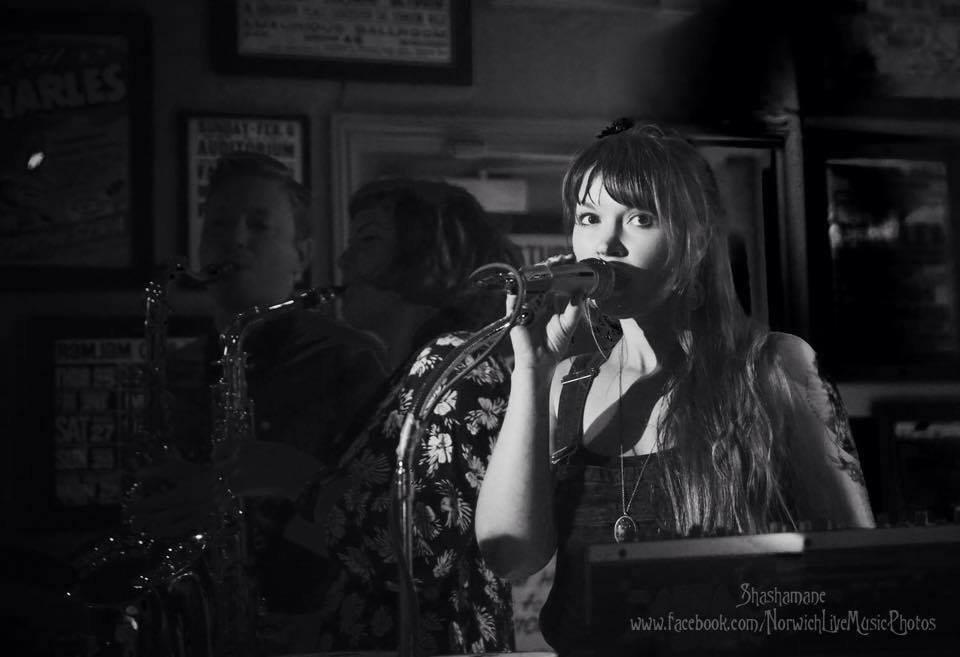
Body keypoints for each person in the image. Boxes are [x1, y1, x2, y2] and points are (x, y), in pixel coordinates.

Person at [475, 122, 875, 655]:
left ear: (697, 238)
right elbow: (510, 557)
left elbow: (856, 558)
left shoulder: (774, 365)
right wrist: (531, 371)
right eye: (589, 218)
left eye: (640, 218)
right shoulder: (568, 383)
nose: (606, 244)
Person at [109, 152, 387, 651]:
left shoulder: (348, 359)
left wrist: (235, 504)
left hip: (311, 630)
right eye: (218, 225)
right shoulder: (177, 370)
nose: (233, 239)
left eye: (258, 225)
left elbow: (375, 511)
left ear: (301, 255)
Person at [257, 179, 520, 654]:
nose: (344, 261)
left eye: (369, 239)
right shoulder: (412, 371)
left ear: (430, 251)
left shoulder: (458, 361)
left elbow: (425, 550)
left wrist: (299, 480)